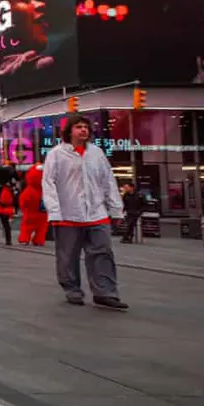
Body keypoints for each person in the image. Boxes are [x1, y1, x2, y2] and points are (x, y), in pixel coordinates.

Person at [42, 114, 128, 310]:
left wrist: (116, 209)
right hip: (68, 215)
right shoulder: (56, 154)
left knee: (103, 253)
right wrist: (54, 212)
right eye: (78, 127)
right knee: (68, 257)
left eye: (86, 127)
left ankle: (105, 292)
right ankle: (72, 289)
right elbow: (48, 184)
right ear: (69, 131)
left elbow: (108, 182)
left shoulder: (96, 153)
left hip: (97, 214)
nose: (83, 130)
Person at [18, 165, 48, 246]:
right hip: (43, 213)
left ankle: (24, 239)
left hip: (30, 212)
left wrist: (23, 209)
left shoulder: (29, 190)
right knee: (42, 228)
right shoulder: (46, 191)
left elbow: (23, 201)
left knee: (26, 227)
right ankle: (39, 240)